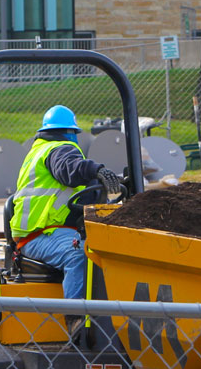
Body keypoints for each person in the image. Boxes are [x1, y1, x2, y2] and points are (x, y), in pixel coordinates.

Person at [9, 105, 123, 299]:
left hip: (51, 231)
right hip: (41, 235)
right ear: (70, 132)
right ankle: (77, 319)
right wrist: (96, 170)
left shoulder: (39, 152)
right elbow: (70, 169)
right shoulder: (58, 150)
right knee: (79, 254)